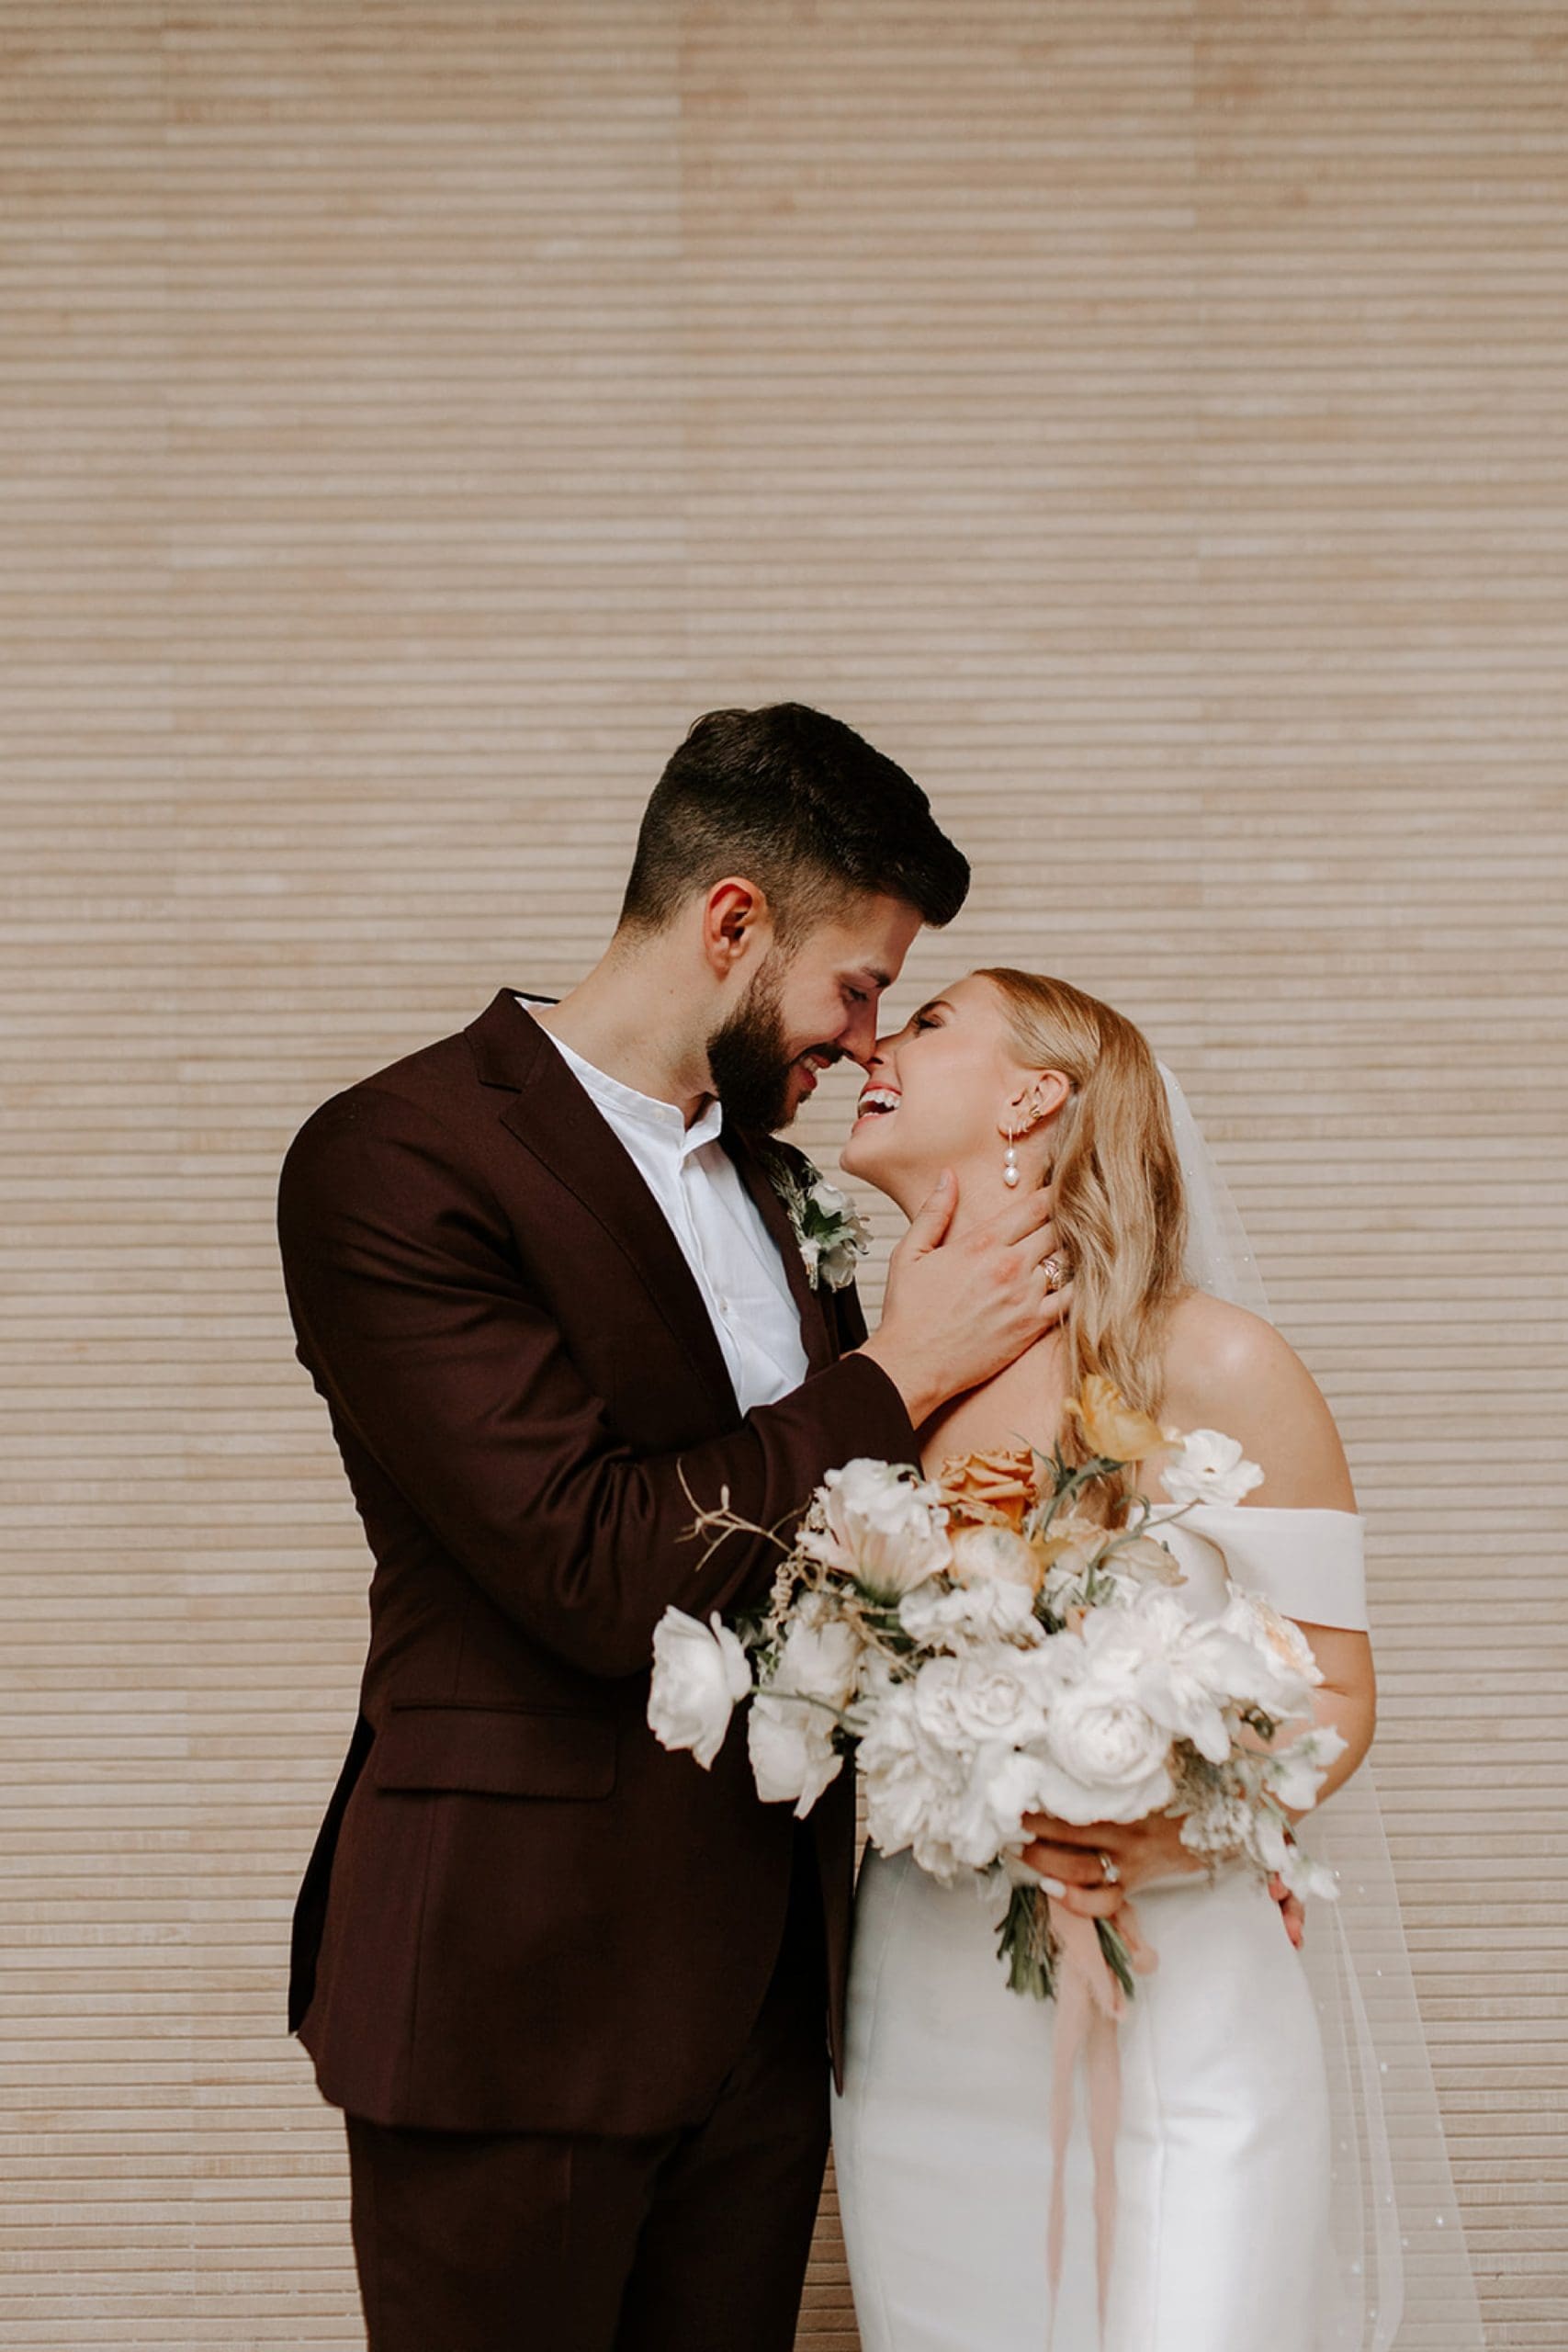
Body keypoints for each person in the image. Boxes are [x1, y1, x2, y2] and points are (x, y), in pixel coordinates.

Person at [275, 706, 1073, 2352]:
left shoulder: (782, 1186)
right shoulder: (397, 1161)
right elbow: (592, 1562)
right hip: (516, 1996)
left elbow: (841, 1549)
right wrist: (902, 1370)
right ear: (732, 923)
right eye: (857, 986)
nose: (867, 1042)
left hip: (766, 2007)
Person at [830, 968, 1482, 2352]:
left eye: (929, 1020)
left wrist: (1168, 1832)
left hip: (1182, 2004)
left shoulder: (1220, 1361)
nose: (873, 1042)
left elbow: (1339, 1694)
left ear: (1035, 1097)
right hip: (923, 2010)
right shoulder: (862, 1381)